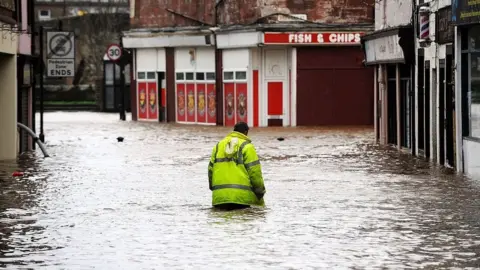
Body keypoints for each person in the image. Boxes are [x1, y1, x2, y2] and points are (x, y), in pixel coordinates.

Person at [208, 122, 266, 210]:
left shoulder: (218, 146)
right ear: (246, 132)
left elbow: (210, 170)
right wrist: (260, 192)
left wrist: (215, 190)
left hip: (220, 198)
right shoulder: (247, 147)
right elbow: (254, 172)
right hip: (241, 199)